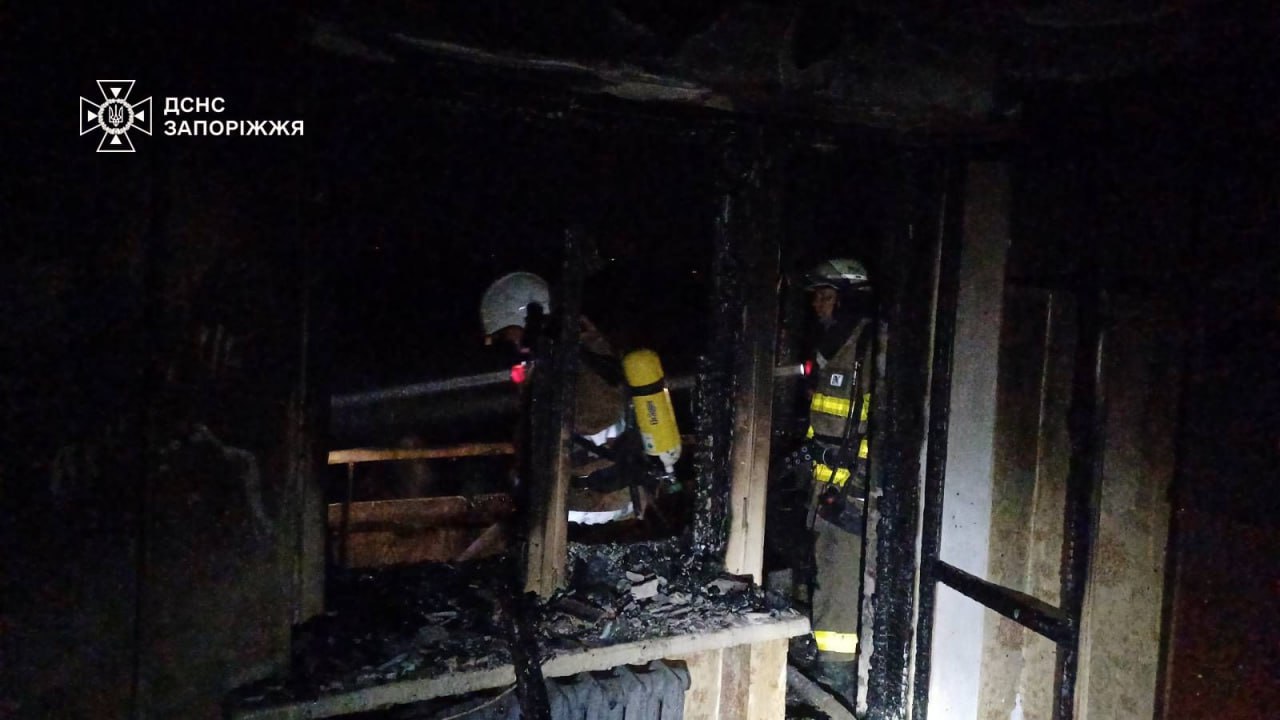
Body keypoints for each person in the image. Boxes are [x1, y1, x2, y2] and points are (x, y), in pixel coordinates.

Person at [479, 271, 651, 525]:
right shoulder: (573, 349)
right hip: (601, 497)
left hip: (595, 505)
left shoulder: (573, 359)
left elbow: (590, 419)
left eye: (509, 334)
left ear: (525, 320)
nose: (512, 344)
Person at [799, 258, 877, 705]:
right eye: (816, 296)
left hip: (852, 491)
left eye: (826, 295)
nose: (818, 304)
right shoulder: (833, 346)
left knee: (841, 580)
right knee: (826, 573)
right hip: (826, 485)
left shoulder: (870, 346)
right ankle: (829, 664)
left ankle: (837, 679)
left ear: (848, 298)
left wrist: (859, 487)